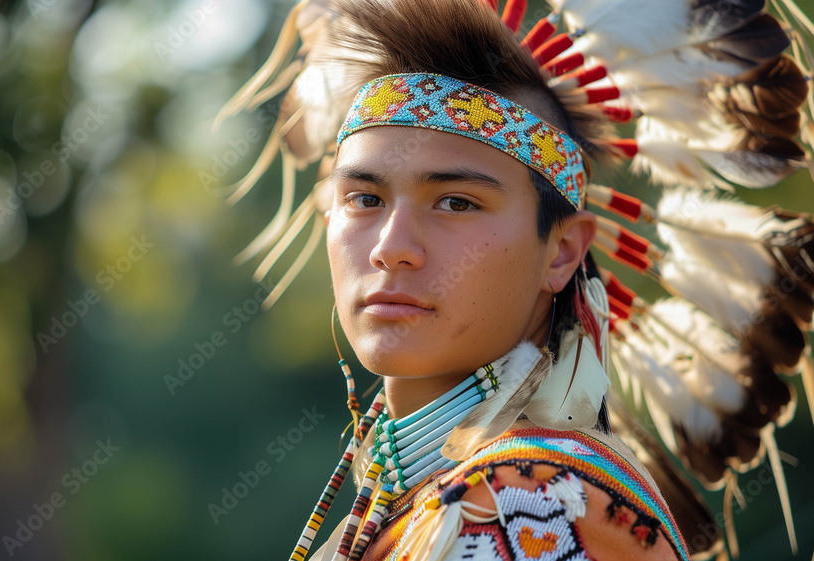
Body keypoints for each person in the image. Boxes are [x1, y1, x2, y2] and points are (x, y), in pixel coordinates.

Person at [215, 0, 814, 559]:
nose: (391, 249)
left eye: (456, 203)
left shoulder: (524, 508)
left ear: (561, 252)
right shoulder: (435, 505)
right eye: (364, 197)